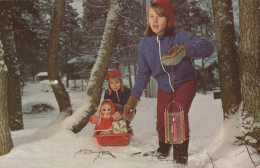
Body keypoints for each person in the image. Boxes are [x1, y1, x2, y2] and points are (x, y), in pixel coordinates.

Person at [123, 0, 214, 165]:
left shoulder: (179, 36)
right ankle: (163, 149)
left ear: (169, 19)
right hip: (164, 86)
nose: (155, 21)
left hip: (185, 82)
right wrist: (132, 100)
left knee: (176, 114)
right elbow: (143, 73)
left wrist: (185, 50)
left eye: (160, 16)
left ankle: (180, 158)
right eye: (151, 16)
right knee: (161, 119)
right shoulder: (145, 44)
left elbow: (208, 47)